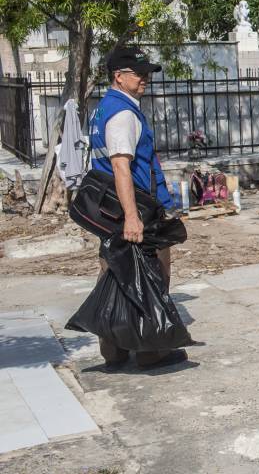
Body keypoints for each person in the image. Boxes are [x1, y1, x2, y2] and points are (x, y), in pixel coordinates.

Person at [88, 46, 188, 370]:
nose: (145, 79)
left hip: (108, 209)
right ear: (119, 76)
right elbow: (121, 167)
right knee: (154, 273)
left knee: (114, 274)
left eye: (147, 73)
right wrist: (133, 217)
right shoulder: (122, 114)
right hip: (133, 209)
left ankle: (114, 352)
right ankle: (150, 351)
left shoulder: (104, 108)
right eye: (139, 73)